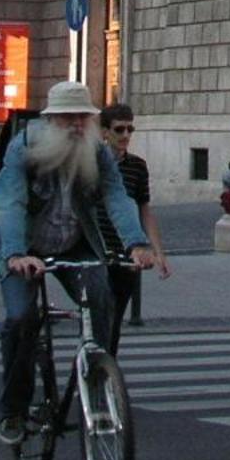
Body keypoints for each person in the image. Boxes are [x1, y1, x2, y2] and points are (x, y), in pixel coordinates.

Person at [0, 82, 154, 447]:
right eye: (68, 118)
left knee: (101, 297)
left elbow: (117, 195)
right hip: (25, 247)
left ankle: (98, 380)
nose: (77, 125)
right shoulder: (26, 146)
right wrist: (16, 253)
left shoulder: (96, 151)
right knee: (21, 319)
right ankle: (13, 408)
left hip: (74, 244)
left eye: (83, 117)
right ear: (51, 120)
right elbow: (9, 201)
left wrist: (137, 243)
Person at [99, 103, 170, 345]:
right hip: (95, 250)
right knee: (95, 320)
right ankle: (86, 372)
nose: (126, 135)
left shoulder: (137, 166)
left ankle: (104, 376)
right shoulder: (91, 164)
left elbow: (145, 210)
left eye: (130, 129)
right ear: (104, 132)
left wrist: (158, 252)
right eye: (119, 130)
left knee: (114, 321)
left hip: (126, 254)